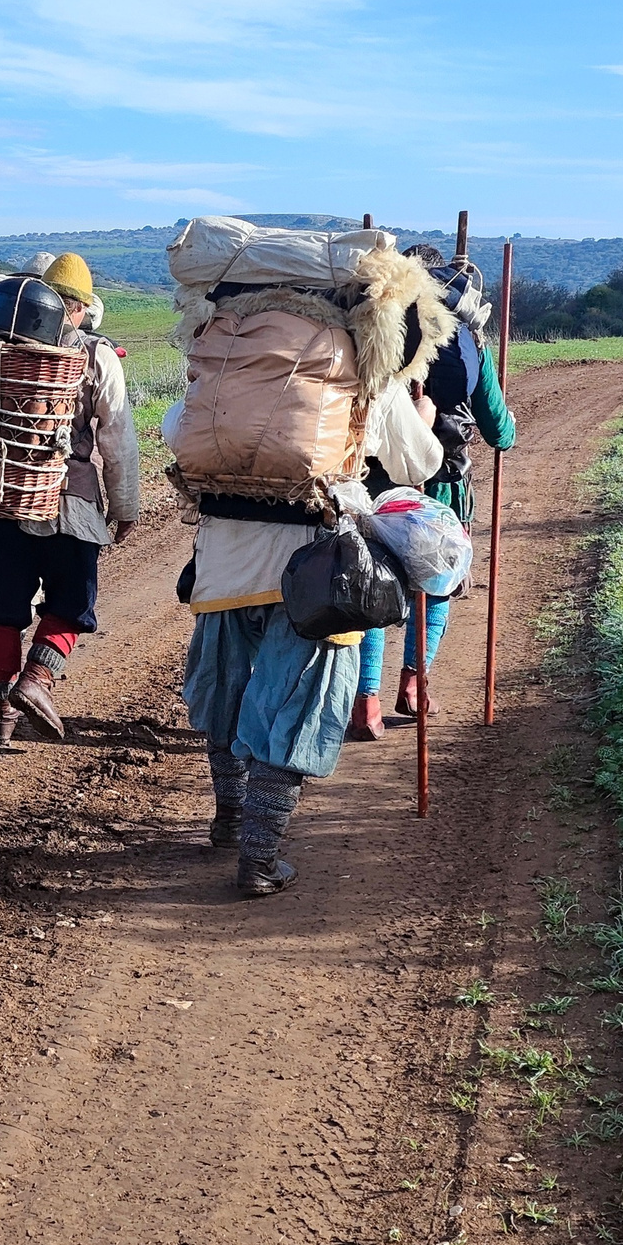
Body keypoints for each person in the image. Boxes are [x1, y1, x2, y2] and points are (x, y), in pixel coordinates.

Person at [170, 378, 438, 892]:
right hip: (319, 572)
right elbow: (418, 464)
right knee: (297, 707)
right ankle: (260, 858)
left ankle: (229, 818)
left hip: (224, 559)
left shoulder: (230, 356)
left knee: (224, 691)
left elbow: (178, 430)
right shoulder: (362, 371)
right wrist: (421, 414)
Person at [0, 254, 141, 746]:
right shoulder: (96, 354)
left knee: (0, 608)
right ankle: (38, 682)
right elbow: (117, 439)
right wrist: (125, 507)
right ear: (80, 307)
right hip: (69, 501)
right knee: (71, 599)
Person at [348, 250, 516, 738]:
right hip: (442, 486)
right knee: (438, 580)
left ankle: (366, 704)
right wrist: (507, 431)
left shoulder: (368, 334)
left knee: (372, 585)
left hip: (373, 487)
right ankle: (415, 685)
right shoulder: (469, 342)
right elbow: (498, 429)